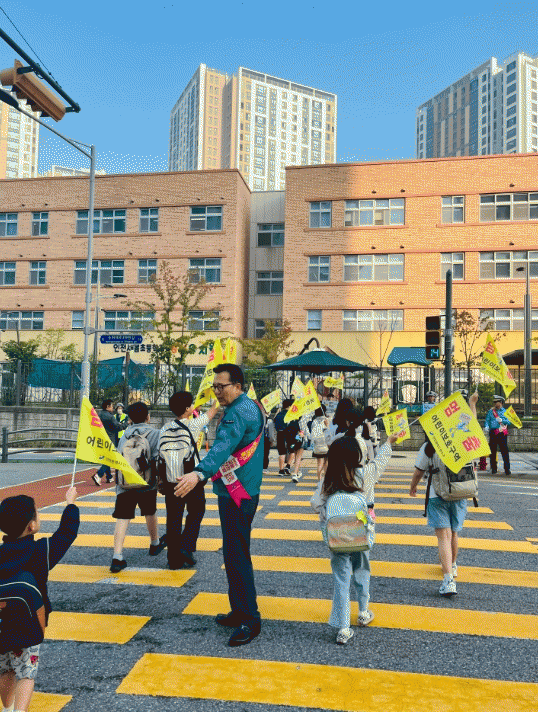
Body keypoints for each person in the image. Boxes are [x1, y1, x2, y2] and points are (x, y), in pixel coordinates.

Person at [174, 363, 264, 647]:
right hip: (239, 490)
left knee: (237, 555)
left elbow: (222, 446)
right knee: (233, 552)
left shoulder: (238, 412)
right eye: (214, 387)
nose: (216, 392)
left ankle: (250, 619)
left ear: (237, 386)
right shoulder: (247, 407)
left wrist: (199, 473)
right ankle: (239, 610)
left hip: (238, 493)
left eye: (221, 386)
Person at [311, 429, 398, 645]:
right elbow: (380, 462)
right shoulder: (366, 473)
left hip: (337, 538)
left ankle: (343, 628)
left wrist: (329, 517)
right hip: (361, 535)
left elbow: (315, 504)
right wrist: (388, 442)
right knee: (362, 569)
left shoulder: (329, 478)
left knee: (341, 580)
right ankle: (363, 611)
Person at [0, 487, 79, 712]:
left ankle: (8, 708)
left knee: (5, 670)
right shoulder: (40, 551)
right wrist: (70, 504)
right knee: (26, 673)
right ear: (31, 526)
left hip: (1, 624)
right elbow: (67, 533)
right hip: (29, 623)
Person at [409, 390, 479, 597]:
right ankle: (453, 565)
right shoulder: (461, 440)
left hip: (436, 494)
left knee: (443, 537)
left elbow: (419, 472)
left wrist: (413, 487)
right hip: (460, 492)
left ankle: (448, 580)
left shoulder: (429, 446)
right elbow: (473, 427)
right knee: (454, 533)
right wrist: (472, 404)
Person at [159, 392, 218, 570]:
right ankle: (186, 546)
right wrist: (214, 396)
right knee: (197, 511)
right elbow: (213, 411)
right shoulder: (193, 424)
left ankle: (173, 559)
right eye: (191, 404)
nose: (193, 406)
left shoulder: (164, 428)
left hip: (171, 480)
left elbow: (158, 456)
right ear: (187, 409)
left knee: (173, 518)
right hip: (190, 479)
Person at [110, 401, 166, 573]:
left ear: (130, 419)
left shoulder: (125, 434)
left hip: (125, 483)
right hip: (146, 482)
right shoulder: (155, 433)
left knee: (122, 517)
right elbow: (158, 457)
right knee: (150, 511)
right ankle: (154, 543)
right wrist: (160, 480)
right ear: (148, 417)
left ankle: (117, 556)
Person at [92, 399, 123, 486]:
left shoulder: (99, 414)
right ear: (108, 407)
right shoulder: (110, 417)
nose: (113, 408)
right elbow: (117, 427)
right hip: (109, 440)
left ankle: (109, 477)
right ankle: (99, 475)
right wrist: (127, 423)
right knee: (110, 459)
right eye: (112, 406)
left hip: (101, 439)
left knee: (107, 458)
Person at [485, 394, 511, 476]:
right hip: (493, 432)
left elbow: (509, 422)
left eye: (497, 402)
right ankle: (493, 468)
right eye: (495, 402)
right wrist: (486, 426)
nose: (495, 404)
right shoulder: (491, 411)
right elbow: (487, 420)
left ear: (501, 402)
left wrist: (502, 420)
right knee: (492, 451)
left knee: (504, 451)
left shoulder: (505, 412)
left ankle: (507, 469)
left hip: (502, 432)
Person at [273, 399, 294, 476]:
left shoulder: (279, 414)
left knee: (281, 452)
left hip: (280, 434)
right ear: (289, 406)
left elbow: (274, 423)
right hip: (289, 435)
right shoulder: (291, 414)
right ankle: (288, 466)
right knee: (292, 450)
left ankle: (281, 470)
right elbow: (294, 425)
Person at [310, 405, 330, 481]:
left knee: (319, 464)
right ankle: (326, 480)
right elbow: (329, 432)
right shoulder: (326, 420)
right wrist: (327, 425)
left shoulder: (314, 421)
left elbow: (312, 433)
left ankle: (319, 480)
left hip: (317, 445)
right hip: (326, 444)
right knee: (326, 463)